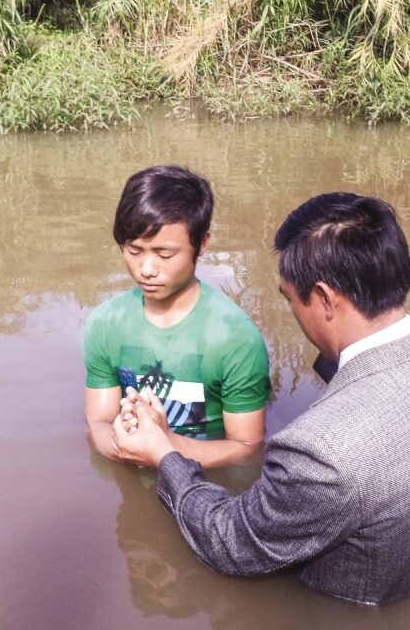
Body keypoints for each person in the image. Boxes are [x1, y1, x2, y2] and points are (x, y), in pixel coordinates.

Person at [112, 192, 410, 605]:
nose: (291, 310)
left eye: (290, 298)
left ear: (324, 298)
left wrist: (164, 453)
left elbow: (230, 543)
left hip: (342, 608)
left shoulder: (322, 455)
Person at [84, 165, 271, 468]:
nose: (146, 269)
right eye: (134, 250)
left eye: (164, 254)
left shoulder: (236, 339)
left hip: (204, 484)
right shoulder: (105, 324)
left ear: (202, 244)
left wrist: (164, 448)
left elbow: (247, 448)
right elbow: (98, 422)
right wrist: (119, 444)